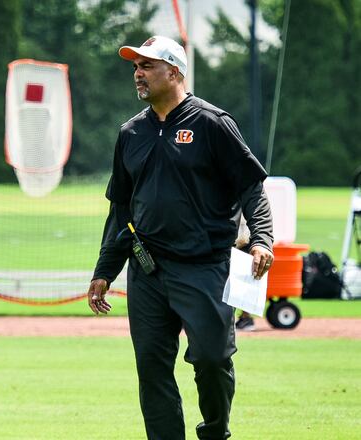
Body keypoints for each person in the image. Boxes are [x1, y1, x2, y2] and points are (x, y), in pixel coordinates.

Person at [87, 36, 274, 440]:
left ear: (174, 71)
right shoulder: (130, 132)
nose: (137, 73)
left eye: (147, 66)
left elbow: (252, 188)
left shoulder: (212, 123)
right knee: (152, 369)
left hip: (205, 267)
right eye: (135, 66)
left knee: (211, 359)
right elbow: (121, 207)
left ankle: (216, 431)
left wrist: (261, 239)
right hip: (147, 270)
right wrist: (105, 269)